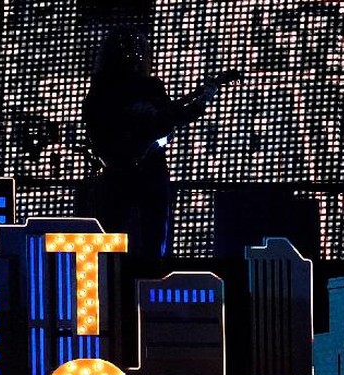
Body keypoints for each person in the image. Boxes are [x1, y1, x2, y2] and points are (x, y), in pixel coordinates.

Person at [83, 27, 235, 264]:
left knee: (116, 241)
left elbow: (168, 120)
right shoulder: (136, 88)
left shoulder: (103, 89)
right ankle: (145, 281)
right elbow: (168, 121)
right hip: (140, 173)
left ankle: (115, 282)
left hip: (124, 173)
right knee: (148, 241)